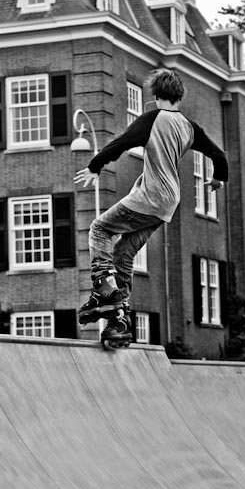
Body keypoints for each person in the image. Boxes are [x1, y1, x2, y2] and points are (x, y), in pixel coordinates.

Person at [73, 68, 228, 341]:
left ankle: (104, 288)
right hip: (167, 204)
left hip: (149, 198)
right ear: (179, 96)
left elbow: (122, 142)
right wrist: (218, 179)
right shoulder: (190, 127)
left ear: (156, 95)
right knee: (123, 252)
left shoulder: (152, 119)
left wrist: (95, 166)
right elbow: (218, 154)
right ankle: (120, 321)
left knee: (99, 228)